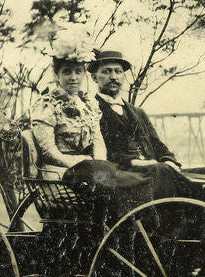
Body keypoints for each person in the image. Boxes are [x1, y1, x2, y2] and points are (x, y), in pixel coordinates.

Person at [30, 52, 152, 218]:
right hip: (59, 174)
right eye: (67, 72)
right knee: (117, 190)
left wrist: (99, 165)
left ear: (83, 74)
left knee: (133, 183)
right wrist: (82, 165)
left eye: (78, 72)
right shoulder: (46, 105)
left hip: (90, 171)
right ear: (57, 74)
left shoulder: (88, 104)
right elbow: (49, 152)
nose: (74, 78)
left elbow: (98, 141)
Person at [88, 49, 205, 200]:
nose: (113, 77)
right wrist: (138, 162)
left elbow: (158, 145)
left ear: (124, 76)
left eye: (118, 71)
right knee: (162, 171)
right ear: (94, 78)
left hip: (155, 169)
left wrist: (169, 160)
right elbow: (102, 154)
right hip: (125, 174)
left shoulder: (137, 112)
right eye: (106, 72)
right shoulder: (91, 109)